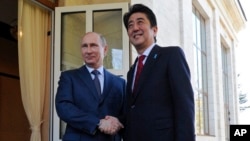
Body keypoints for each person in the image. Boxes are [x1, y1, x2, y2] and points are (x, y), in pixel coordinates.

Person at [122, 4, 195, 141]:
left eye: (140, 22)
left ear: (154, 30)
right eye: (130, 25)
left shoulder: (171, 55)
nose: (135, 28)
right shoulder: (132, 71)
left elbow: (185, 106)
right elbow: (133, 111)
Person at [55, 32, 126, 141]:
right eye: (84, 46)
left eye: (93, 45)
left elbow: (126, 114)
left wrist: (117, 121)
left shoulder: (120, 83)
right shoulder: (69, 77)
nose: (88, 51)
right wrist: (98, 123)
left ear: (105, 49)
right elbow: (63, 107)